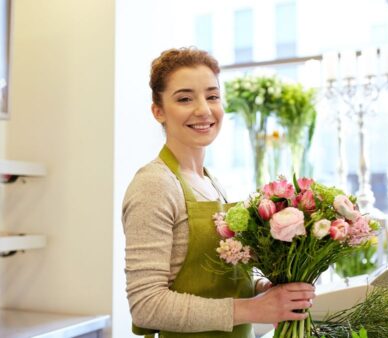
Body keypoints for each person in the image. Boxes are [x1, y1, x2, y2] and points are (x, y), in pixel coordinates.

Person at [122, 47, 315, 338]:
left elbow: (218, 283)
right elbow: (146, 306)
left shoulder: (211, 182)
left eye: (212, 96)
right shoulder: (155, 185)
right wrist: (254, 309)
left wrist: (267, 291)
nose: (204, 109)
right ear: (158, 111)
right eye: (185, 98)